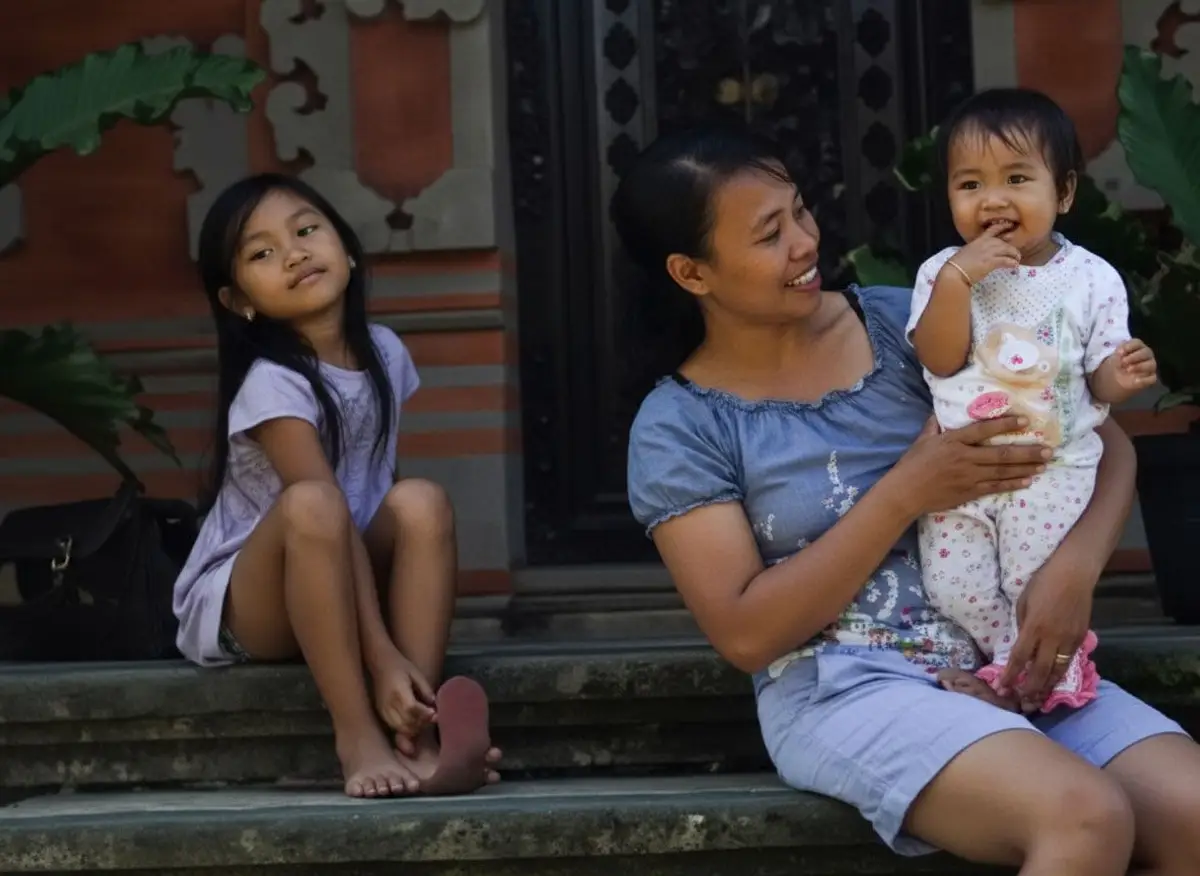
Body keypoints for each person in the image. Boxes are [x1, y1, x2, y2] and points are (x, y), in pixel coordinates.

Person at [616, 124, 1200, 874]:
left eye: (799, 212)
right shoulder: (682, 425)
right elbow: (745, 633)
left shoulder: (911, 324)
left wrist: (1073, 575)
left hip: (1009, 658)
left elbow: (1103, 440)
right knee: (1084, 818)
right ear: (691, 273)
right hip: (845, 684)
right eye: (770, 234)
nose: (804, 243)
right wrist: (905, 492)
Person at [173, 173, 500, 798]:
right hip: (251, 603)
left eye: (305, 231)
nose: (293, 253)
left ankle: (418, 730)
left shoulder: (384, 351)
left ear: (346, 250)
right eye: (262, 253)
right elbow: (325, 510)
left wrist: (395, 657)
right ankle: (359, 735)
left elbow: (380, 490)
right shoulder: (273, 383)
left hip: (335, 581)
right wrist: (381, 660)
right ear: (238, 299)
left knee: (421, 501)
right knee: (315, 502)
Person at [906, 88, 1158, 713]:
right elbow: (938, 358)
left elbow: (1097, 381)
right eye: (970, 185)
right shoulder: (943, 273)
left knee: (1032, 582)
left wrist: (1118, 377)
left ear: (1064, 193)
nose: (992, 199)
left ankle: (1028, 684)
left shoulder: (1091, 278)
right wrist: (961, 280)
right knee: (953, 585)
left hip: (1049, 469)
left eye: (1017, 178)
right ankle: (1003, 668)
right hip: (961, 473)